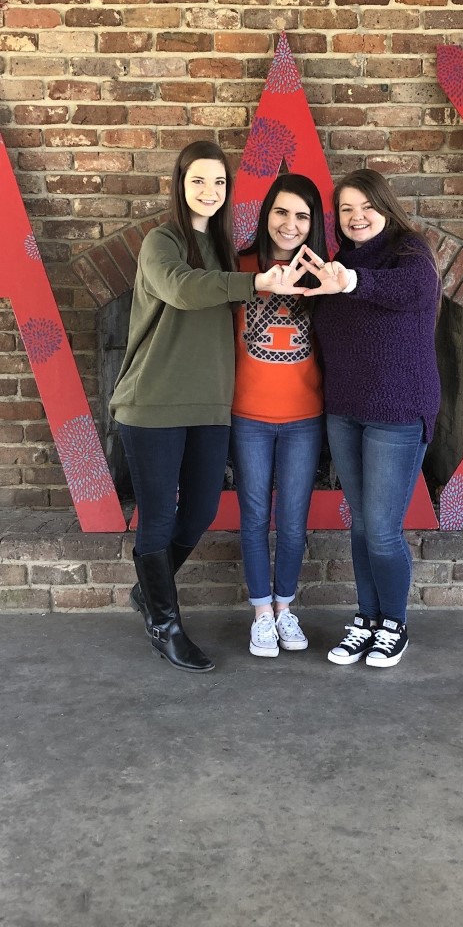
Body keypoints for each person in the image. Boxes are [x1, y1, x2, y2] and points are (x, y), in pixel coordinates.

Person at [110, 141, 289, 673]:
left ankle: (149, 589)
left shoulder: (228, 250)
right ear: (180, 183)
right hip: (152, 403)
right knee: (159, 518)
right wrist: (254, 283)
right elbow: (184, 290)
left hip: (212, 404)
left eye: (218, 182)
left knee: (203, 510)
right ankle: (164, 624)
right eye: (198, 181)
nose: (209, 192)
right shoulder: (161, 242)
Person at [299, 169, 441, 669]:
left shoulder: (412, 254)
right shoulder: (336, 265)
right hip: (345, 411)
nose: (357, 217)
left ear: (385, 206)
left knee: (382, 530)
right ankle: (367, 619)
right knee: (361, 526)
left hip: (398, 413)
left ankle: (394, 624)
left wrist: (351, 280)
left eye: (366, 207)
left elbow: (408, 289)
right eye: (346, 210)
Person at [230, 174, 328, 659]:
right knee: (253, 517)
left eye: (302, 216)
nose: (290, 225)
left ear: (314, 225)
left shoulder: (324, 274)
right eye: (282, 212)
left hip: (304, 419)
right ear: (267, 214)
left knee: (292, 519)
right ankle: (261, 614)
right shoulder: (241, 267)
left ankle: (286, 606)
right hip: (247, 416)